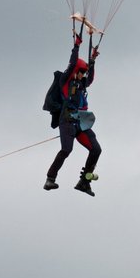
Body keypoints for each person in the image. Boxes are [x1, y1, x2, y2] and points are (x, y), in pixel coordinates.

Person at [44, 32, 102, 196]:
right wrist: (76, 46)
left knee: (96, 149)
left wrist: (93, 60)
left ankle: (84, 181)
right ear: (76, 71)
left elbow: (90, 77)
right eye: (81, 72)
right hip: (67, 121)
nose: (83, 75)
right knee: (66, 150)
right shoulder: (65, 82)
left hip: (81, 123)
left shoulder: (82, 83)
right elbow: (72, 64)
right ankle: (50, 178)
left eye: (84, 72)